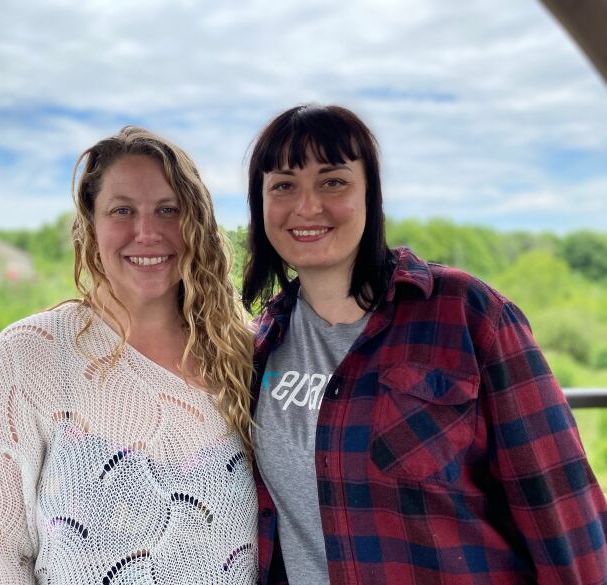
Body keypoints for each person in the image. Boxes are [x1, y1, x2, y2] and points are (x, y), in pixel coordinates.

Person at [243, 104, 607, 584]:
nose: (307, 206)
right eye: (283, 185)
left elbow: (564, 514)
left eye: (332, 181)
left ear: (370, 195)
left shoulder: (467, 314)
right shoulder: (262, 339)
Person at [0, 126, 258, 584]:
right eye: (122, 210)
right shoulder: (30, 357)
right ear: (91, 223)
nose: (147, 232)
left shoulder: (242, 351)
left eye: (168, 210)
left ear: (196, 224)